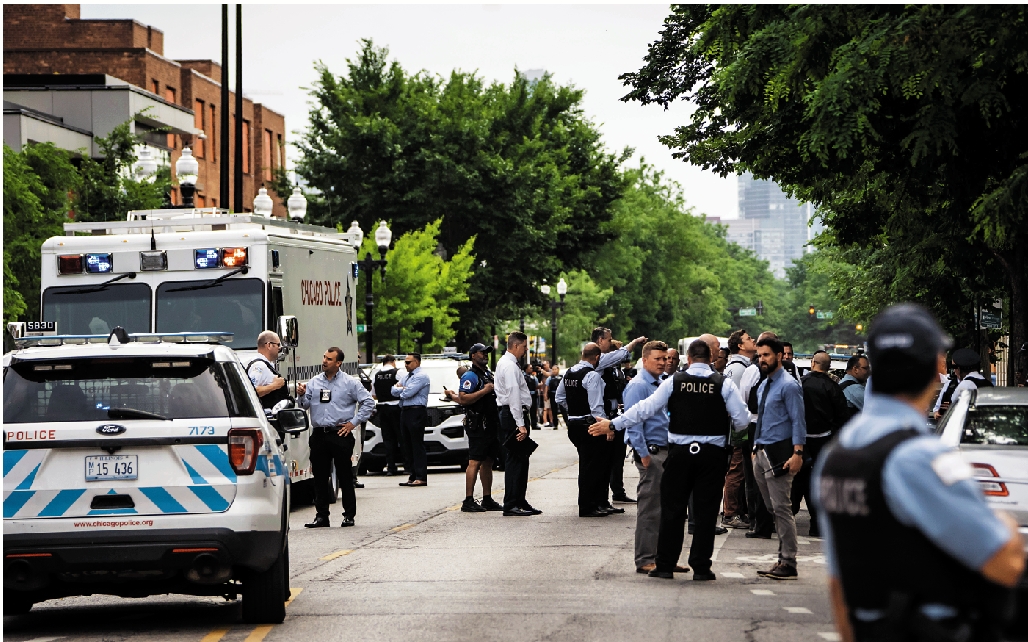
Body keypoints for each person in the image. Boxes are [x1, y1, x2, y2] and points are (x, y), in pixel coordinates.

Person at [813, 303, 1024, 642]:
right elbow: (1005, 562)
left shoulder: (837, 456)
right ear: (934, 368)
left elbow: (839, 586)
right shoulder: (921, 455)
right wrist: (1006, 524)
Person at [591, 339, 750, 581]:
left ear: (688, 359)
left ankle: (665, 563)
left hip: (679, 453)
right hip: (711, 454)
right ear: (710, 359)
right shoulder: (723, 383)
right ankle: (701, 566)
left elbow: (645, 408)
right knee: (706, 512)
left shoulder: (674, 382)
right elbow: (741, 419)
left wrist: (613, 423)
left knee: (672, 510)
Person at [621, 340, 687, 573]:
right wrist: (643, 454)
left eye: (665, 359)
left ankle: (663, 558)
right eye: (658, 359)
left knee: (665, 509)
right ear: (645, 359)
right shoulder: (639, 385)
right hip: (652, 452)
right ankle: (646, 558)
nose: (663, 362)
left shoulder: (660, 383)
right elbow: (633, 421)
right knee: (650, 509)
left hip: (666, 452)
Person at [298, 347, 374, 528]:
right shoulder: (315, 382)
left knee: (345, 476)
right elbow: (304, 405)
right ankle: (321, 516)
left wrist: (353, 423)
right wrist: (301, 395)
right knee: (319, 477)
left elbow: (368, 402)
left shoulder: (350, 383)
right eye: (324, 357)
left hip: (340, 434)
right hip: (319, 434)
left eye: (329, 359)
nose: (324, 361)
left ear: (338, 363)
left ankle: (349, 515)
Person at [751, 336, 807, 579]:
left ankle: (788, 562)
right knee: (772, 508)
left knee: (782, 508)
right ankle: (782, 557)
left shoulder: (789, 385)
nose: (762, 359)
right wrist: (755, 448)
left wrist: (798, 453)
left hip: (781, 454)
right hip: (761, 452)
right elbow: (761, 418)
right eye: (759, 355)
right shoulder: (764, 385)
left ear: (780, 356)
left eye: (766, 355)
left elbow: (798, 421)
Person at [793, 350, 848, 537]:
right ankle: (816, 524)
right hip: (824, 440)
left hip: (800, 440)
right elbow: (842, 416)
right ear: (828, 366)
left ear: (812, 363)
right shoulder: (833, 388)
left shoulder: (801, 384)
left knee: (797, 479)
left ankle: (785, 517)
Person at [555, 343, 613, 517]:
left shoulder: (569, 373)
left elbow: (559, 397)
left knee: (587, 464)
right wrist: (607, 427)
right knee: (593, 467)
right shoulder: (591, 375)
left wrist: (573, 409)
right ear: (596, 358)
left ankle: (589, 503)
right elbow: (596, 408)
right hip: (590, 424)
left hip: (574, 424)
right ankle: (588, 505)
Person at [592, 327, 647, 506]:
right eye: (609, 340)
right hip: (604, 416)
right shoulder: (598, 360)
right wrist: (635, 343)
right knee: (604, 460)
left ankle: (617, 491)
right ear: (600, 341)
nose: (611, 342)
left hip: (615, 413)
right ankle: (600, 498)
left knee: (616, 457)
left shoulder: (614, 369)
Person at [494, 332, 540, 516]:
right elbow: (513, 396)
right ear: (515, 346)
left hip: (515, 414)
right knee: (514, 460)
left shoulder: (509, 364)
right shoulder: (509, 366)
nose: (525, 349)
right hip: (514, 415)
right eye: (523, 346)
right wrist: (520, 423)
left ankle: (520, 500)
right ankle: (511, 503)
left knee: (522, 459)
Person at [456, 343, 504, 513]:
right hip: (477, 424)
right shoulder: (470, 375)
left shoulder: (487, 374)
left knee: (488, 461)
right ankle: (468, 500)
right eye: (482, 352)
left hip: (490, 423)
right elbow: (463, 398)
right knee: (474, 461)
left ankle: (487, 498)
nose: (485, 355)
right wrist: (484, 391)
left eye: (486, 353)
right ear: (473, 355)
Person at [722, 329, 756, 529]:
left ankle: (737, 510)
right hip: (739, 427)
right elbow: (735, 404)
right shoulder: (739, 369)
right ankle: (730, 512)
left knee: (740, 469)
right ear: (740, 346)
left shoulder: (740, 367)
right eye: (749, 339)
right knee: (737, 469)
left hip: (738, 426)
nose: (753, 341)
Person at [392, 353, 431, 487]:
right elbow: (392, 390)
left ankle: (421, 476)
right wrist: (402, 389)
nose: (406, 365)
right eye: (405, 362)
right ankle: (413, 475)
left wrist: (401, 389)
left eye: (409, 362)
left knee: (416, 444)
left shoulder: (421, 376)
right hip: (405, 411)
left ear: (417, 362)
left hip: (416, 410)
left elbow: (408, 393)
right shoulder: (406, 376)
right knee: (407, 444)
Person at [932, 348, 992, 421]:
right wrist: (938, 413)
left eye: (954, 367)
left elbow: (955, 410)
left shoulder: (965, 385)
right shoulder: (988, 384)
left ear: (960, 368)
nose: (954, 371)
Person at [372, 355, 402, 476]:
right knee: (401, 436)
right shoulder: (397, 373)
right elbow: (403, 388)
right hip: (396, 407)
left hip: (382, 408)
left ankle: (391, 467)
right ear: (393, 362)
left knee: (388, 438)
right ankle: (409, 466)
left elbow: (374, 395)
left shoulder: (376, 375)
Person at [245, 331, 290, 411]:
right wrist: (275, 385)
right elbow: (252, 392)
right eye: (278, 345)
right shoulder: (259, 366)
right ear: (269, 345)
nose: (279, 348)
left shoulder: (266, 365)